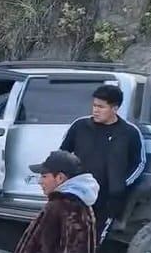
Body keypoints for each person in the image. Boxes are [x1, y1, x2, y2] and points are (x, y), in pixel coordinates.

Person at [60, 84, 145, 243]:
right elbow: (62, 154)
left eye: (101, 107)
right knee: (71, 237)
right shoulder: (80, 126)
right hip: (79, 194)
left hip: (108, 199)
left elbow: (139, 163)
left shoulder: (129, 132)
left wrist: (120, 184)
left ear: (115, 108)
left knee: (95, 240)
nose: (95, 110)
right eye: (94, 105)